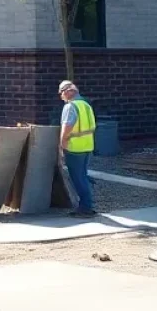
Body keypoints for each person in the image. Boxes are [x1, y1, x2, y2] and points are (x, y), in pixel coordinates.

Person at [58, 79, 97, 217]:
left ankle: (85, 207)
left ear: (69, 91)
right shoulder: (86, 105)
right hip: (87, 146)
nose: (61, 96)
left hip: (74, 147)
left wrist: (62, 145)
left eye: (61, 92)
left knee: (77, 178)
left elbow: (67, 127)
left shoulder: (70, 107)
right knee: (83, 176)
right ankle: (87, 204)